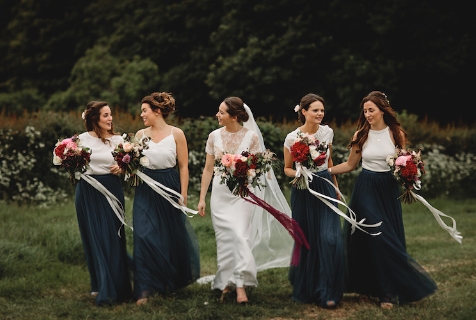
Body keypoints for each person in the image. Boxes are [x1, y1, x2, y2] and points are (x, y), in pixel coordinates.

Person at [329, 91, 438, 309]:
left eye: (371, 110)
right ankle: (386, 292)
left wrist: (409, 175)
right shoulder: (361, 134)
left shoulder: (396, 133)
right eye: (365, 111)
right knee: (378, 237)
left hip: (388, 190)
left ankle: (381, 289)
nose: (367, 114)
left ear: (382, 110)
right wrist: (325, 171)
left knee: (385, 238)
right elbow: (350, 165)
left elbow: (404, 161)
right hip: (366, 188)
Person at [197, 97, 293, 305]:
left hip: (243, 195)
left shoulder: (250, 137)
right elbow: (207, 169)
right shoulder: (213, 136)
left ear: (234, 116)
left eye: (221, 112)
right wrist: (202, 197)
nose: (217, 115)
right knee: (225, 240)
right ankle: (225, 283)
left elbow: (260, 166)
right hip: (220, 196)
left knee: (241, 236)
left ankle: (240, 285)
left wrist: (256, 173)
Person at [132, 92, 200, 306]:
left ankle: (168, 281)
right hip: (146, 188)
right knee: (144, 234)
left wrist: (183, 193)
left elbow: (183, 166)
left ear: (157, 111)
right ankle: (144, 288)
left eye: (145, 110)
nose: (142, 114)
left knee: (169, 234)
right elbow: (133, 165)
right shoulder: (139, 135)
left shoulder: (177, 134)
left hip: (169, 185)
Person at [283, 93, 344, 308]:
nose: (320, 114)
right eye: (316, 110)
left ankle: (329, 291)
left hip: (325, 186)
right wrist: (299, 173)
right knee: (307, 239)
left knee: (329, 238)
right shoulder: (292, 138)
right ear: (304, 112)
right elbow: (287, 169)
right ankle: (310, 288)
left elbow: (329, 161)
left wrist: (335, 187)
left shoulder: (327, 132)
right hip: (303, 190)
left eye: (322, 110)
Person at [75, 101, 132, 306]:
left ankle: (119, 286)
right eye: (106, 115)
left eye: (110, 115)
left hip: (111, 191)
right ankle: (100, 284)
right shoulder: (80, 140)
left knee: (113, 237)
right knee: (94, 238)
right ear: (95, 119)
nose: (110, 119)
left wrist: (122, 168)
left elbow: (128, 165)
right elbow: (73, 164)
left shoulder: (119, 140)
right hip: (88, 192)